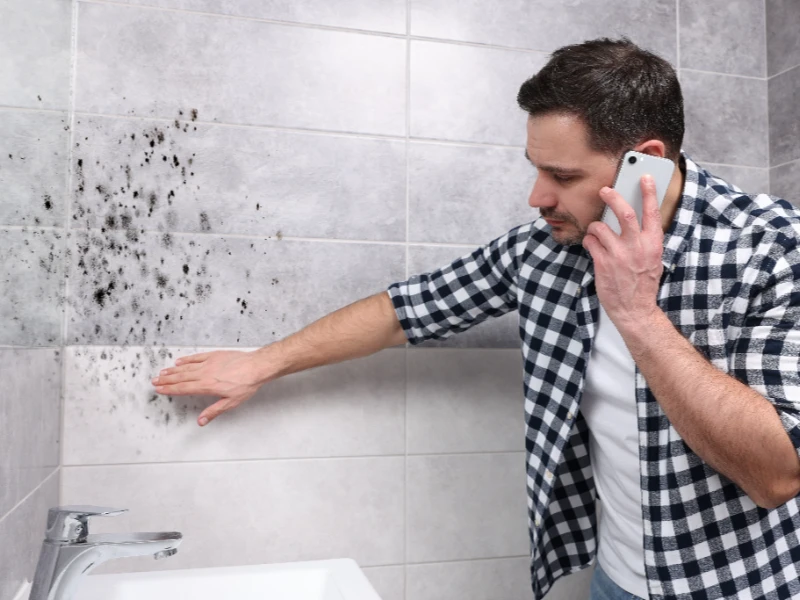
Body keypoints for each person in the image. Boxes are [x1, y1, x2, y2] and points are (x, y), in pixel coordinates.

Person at [151, 38, 800, 600]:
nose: (537, 197)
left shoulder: (772, 248)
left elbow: (778, 473)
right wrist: (262, 363)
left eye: (562, 174)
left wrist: (637, 316)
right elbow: (402, 312)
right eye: (535, 168)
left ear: (646, 163)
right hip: (615, 580)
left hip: (744, 583)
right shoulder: (543, 250)